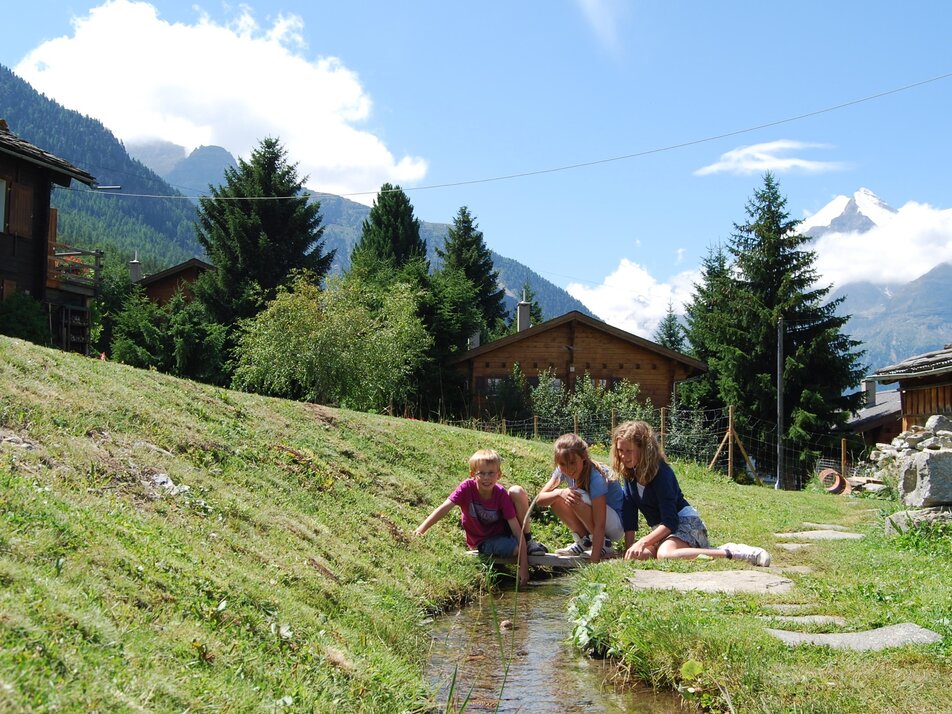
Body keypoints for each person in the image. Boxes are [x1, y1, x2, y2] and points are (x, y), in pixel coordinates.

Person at [613, 420, 771, 566]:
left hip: (683, 523)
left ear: (643, 449)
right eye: (620, 450)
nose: (623, 456)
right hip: (662, 532)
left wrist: (642, 542)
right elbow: (630, 514)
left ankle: (736, 553)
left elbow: (670, 521)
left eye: (629, 450)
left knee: (665, 555)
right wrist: (630, 548)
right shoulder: (629, 474)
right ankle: (708, 550)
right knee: (640, 556)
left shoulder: (661, 473)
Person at [414, 448, 546, 585]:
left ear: (498, 475)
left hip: (504, 531)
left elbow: (517, 531)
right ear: (473, 474)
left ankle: (529, 543)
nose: (486, 478)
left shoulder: (500, 493)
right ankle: (524, 548)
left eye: (491, 473)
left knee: (517, 493)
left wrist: (523, 568)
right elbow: (444, 508)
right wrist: (421, 530)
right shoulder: (466, 488)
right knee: (517, 549)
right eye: (481, 473)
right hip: (485, 540)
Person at [536, 433, 625, 563]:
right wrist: (560, 492)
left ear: (583, 457)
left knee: (575, 495)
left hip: (615, 525)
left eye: (573, 462)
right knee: (557, 496)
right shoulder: (562, 470)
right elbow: (539, 499)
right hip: (598, 523)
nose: (569, 469)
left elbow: (600, 524)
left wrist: (594, 563)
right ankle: (585, 542)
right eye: (562, 464)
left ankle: (604, 545)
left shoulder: (595, 477)